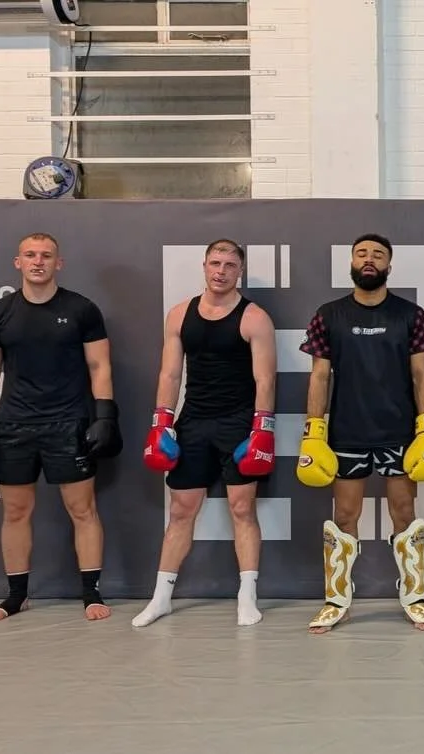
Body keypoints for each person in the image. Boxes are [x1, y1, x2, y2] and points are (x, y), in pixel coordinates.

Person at [0, 232, 121, 624]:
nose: (38, 261)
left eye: (46, 255)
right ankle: (16, 597)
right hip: (14, 423)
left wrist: (105, 416)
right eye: (30, 255)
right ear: (18, 263)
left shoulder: (81, 309)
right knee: (15, 511)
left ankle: (91, 593)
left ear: (58, 263)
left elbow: (100, 366)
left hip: (68, 422)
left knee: (82, 509)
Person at [295, 233, 424, 634]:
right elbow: (319, 375)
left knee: (404, 514)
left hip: (399, 431)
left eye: (377, 255)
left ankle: (414, 597)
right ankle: (336, 601)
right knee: (344, 516)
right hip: (346, 431)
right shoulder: (329, 314)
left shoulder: (410, 314)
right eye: (361, 253)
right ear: (351, 262)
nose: (369, 259)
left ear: (388, 266)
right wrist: (313, 432)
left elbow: (421, 374)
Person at [133, 239, 278, 628]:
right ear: (204, 265)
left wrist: (262, 429)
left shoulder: (254, 318)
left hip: (238, 422)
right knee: (181, 511)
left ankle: (247, 596)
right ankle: (161, 597)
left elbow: (265, 378)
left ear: (239, 271)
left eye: (230, 265)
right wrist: (160, 423)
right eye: (216, 263)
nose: (221, 271)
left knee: (242, 509)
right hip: (193, 421)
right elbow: (169, 373)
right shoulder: (180, 314)